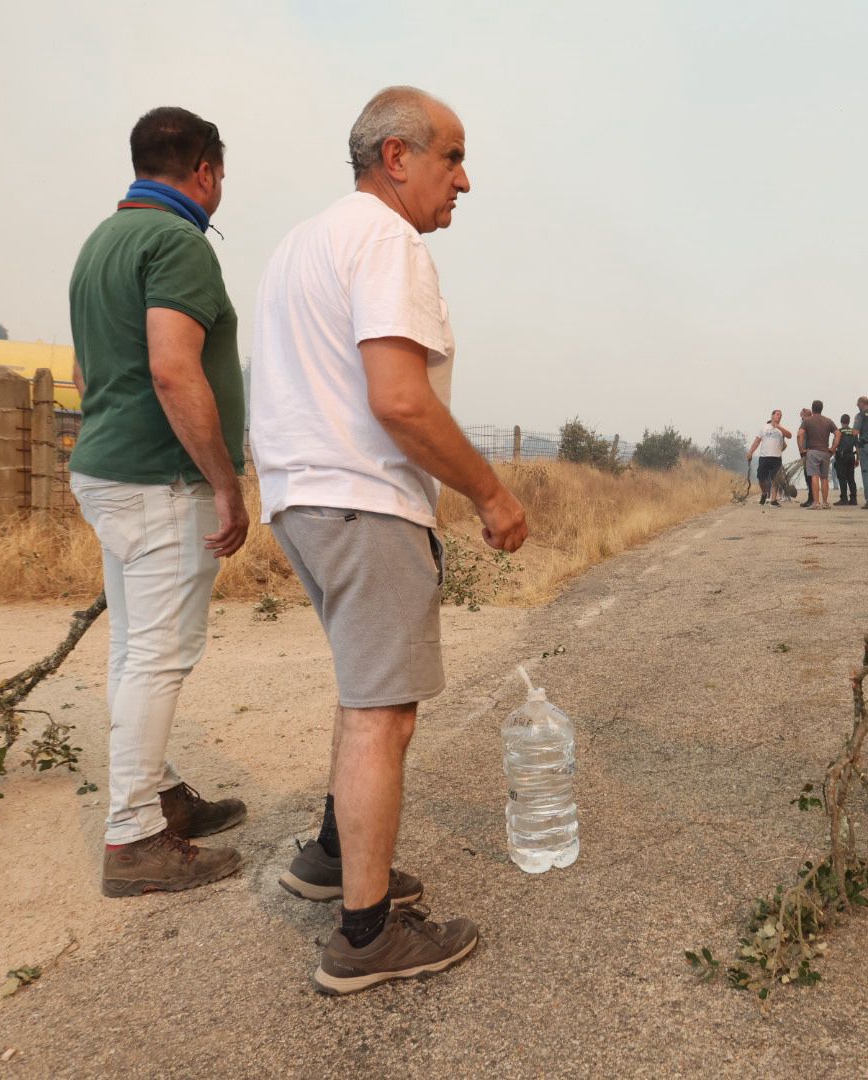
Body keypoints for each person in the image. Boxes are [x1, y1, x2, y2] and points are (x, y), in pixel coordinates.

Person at [251, 86, 529, 996]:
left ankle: (335, 857)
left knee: (364, 690)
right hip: (362, 499)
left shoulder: (302, 243)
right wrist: (490, 492)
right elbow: (401, 400)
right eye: (453, 157)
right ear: (397, 156)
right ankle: (365, 937)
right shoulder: (388, 240)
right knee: (385, 713)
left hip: (301, 497)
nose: (465, 181)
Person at [68, 107, 250, 898]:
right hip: (161, 480)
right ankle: (135, 835)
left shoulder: (100, 243)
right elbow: (175, 371)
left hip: (107, 470)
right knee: (159, 654)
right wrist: (224, 480)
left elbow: (84, 374)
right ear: (204, 170)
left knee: (133, 648)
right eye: (221, 174)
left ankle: (161, 793)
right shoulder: (178, 243)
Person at [798, 400, 839, 509]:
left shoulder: (807, 421)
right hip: (825, 452)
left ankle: (816, 503)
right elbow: (838, 434)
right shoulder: (828, 421)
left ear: (812, 409)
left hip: (812, 452)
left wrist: (801, 449)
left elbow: (800, 434)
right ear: (822, 408)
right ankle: (825, 503)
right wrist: (833, 448)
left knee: (814, 476)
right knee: (824, 478)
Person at [746, 409, 791, 506]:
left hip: (776, 458)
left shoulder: (781, 430)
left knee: (775, 479)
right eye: (777, 414)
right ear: (772, 416)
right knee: (761, 477)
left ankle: (773, 500)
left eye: (781, 415)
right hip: (764, 457)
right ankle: (764, 493)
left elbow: (789, 435)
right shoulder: (764, 427)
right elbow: (757, 441)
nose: (779, 416)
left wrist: (779, 427)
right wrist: (750, 452)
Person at [834, 413, 859, 506]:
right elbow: (857, 446)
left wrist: (831, 453)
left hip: (842, 457)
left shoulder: (839, 431)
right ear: (849, 422)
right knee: (851, 478)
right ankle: (853, 499)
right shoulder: (853, 432)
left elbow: (835, 444)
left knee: (842, 478)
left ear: (841, 421)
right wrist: (858, 459)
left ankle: (844, 499)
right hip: (851, 456)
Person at [797, 407, 816, 507]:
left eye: (802, 416)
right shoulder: (812, 423)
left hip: (807, 453)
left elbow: (799, 436)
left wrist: (802, 450)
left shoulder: (806, 424)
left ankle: (812, 499)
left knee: (809, 477)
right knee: (810, 476)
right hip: (809, 453)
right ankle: (812, 498)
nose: (801, 418)